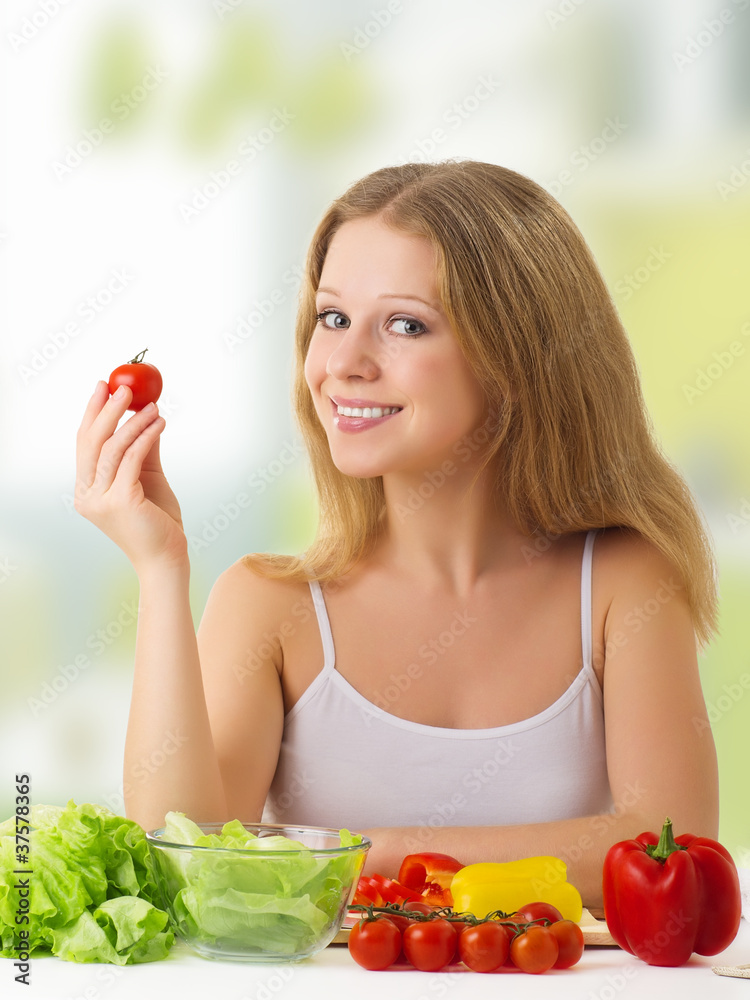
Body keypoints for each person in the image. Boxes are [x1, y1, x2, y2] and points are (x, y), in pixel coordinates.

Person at [75, 159, 719, 908]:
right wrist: (160, 570)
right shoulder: (268, 606)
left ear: (517, 356)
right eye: (332, 318)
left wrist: (358, 853)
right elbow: (181, 861)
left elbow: (671, 852)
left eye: (405, 325)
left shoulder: (623, 581)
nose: (345, 364)